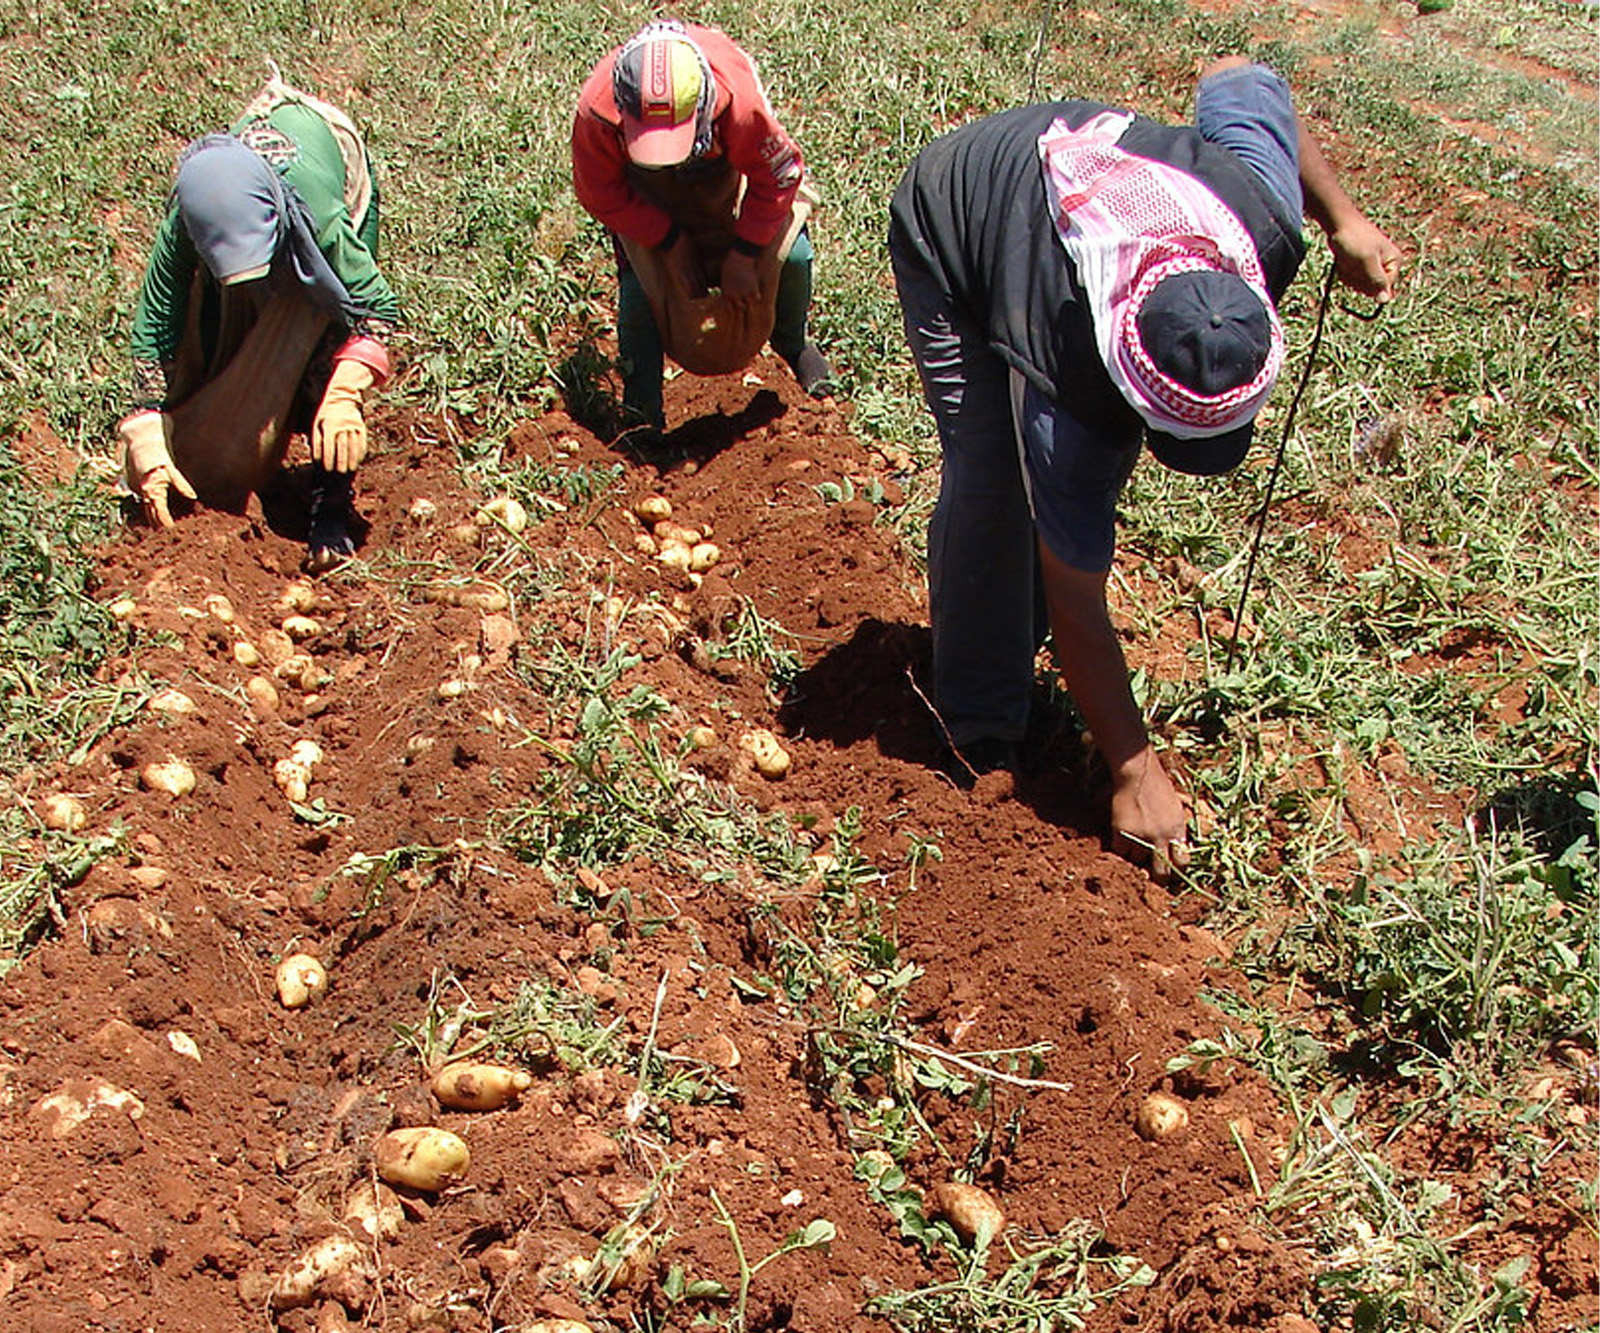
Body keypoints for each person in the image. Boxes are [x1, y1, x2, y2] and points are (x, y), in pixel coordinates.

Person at [887, 57, 1402, 876]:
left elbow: (1245, 80)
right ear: (1131, 373)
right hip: (960, 217)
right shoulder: (1070, 379)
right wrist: (1135, 770)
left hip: (1079, 192)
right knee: (994, 485)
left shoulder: (1260, 214)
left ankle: (1018, 673)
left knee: (1052, 503)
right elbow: (1078, 591)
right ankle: (978, 728)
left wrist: (1342, 216)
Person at [117, 71, 401, 572]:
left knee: (322, 349)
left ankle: (329, 511)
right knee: (207, 333)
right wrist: (144, 427)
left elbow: (374, 310)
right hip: (246, 216)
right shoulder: (192, 212)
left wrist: (343, 394)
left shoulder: (320, 214)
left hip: (322, 188)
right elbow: (159, 317)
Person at [572, 20, 834, 441]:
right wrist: (669, 242)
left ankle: (793, 343)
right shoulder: (598, 114)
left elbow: (779, 175)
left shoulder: (738, 102)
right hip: (649, 204)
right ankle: (643, 416)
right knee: (639, 294)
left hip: (726, 189)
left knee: (795, 257)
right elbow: (601, 194)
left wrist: (746, 253)